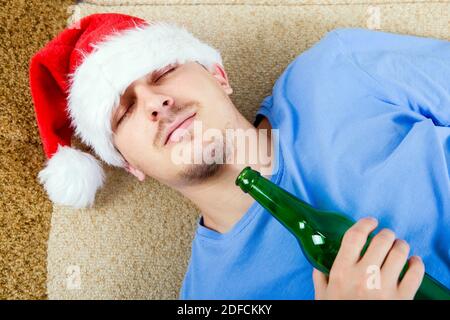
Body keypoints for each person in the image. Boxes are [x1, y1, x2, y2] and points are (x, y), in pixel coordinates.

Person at [29, 13, 449, 300]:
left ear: (219, 76)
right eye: (125, 111)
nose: (156, 102)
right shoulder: (215, 298)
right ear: (129, 164)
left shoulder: (337, 70)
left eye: (163, 72)